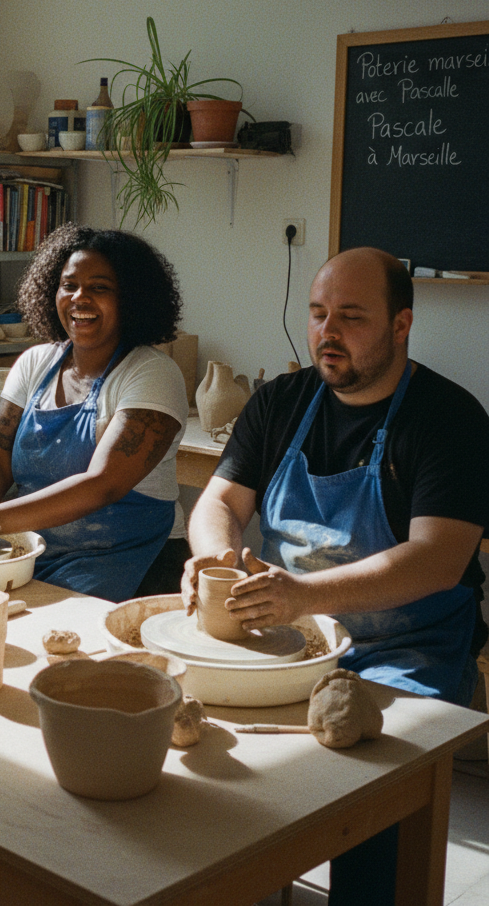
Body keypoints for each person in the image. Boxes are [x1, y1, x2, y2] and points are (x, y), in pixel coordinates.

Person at [183, 246, 488, 906]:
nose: (327, 332)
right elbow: (218, 503)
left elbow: (439, 559)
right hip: (293, 637)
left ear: (401, 325)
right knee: (208, 768)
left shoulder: (449, 419)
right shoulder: (281, 403)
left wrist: (300, 595)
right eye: (319, 314)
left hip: (408, 650)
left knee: (364, 792)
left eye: (350, 316)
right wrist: (215, 558)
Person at [0, 226, 189, 602]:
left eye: (99, 287)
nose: (80, 298)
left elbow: (104, 483)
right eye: (69, 285)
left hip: (132, 562)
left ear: (131, 298)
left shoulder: (151, 372)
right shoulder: (36, 363)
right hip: (37, 550)